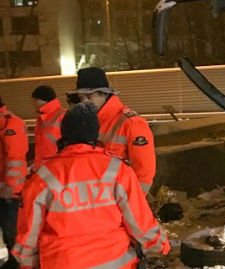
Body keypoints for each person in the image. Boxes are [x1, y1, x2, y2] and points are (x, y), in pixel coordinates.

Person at [12, 103, 170, 269]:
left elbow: (29, 231)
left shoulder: (42, 175)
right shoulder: (116, 169)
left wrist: (27, 262)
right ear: (96, 132)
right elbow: (139, 220)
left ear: (64, 133)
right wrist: (160, 245)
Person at [67, 67, 156, 194]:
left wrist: (134, 204)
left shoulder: (131, 123)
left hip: (120, 200)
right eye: (81, 98)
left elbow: (144, 174)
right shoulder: (88, 121)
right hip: (97, 200)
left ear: (104, 93)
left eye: (89, 96)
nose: (84, 102)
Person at [0, 99, 27, 269]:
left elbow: (15, 158)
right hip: (4, 188)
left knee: (12, 230)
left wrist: (11, 187)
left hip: (10, 191)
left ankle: (18, 261)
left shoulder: (12, 124)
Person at [31, 85, 65, 171]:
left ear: (43, 99)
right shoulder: (42, 118)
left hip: (56, 165)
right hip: (44, 165)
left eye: (35, 100)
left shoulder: (62, 115)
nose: (33, 103)